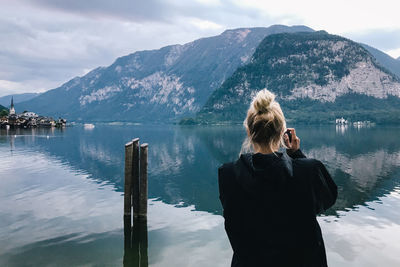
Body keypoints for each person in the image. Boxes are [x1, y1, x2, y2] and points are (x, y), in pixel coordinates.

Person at [218, 89, 338, 267]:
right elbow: (326, 200)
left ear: (249, 132)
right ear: (283, 132)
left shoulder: (227, 175)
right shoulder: (309, 170)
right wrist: (296, 154)